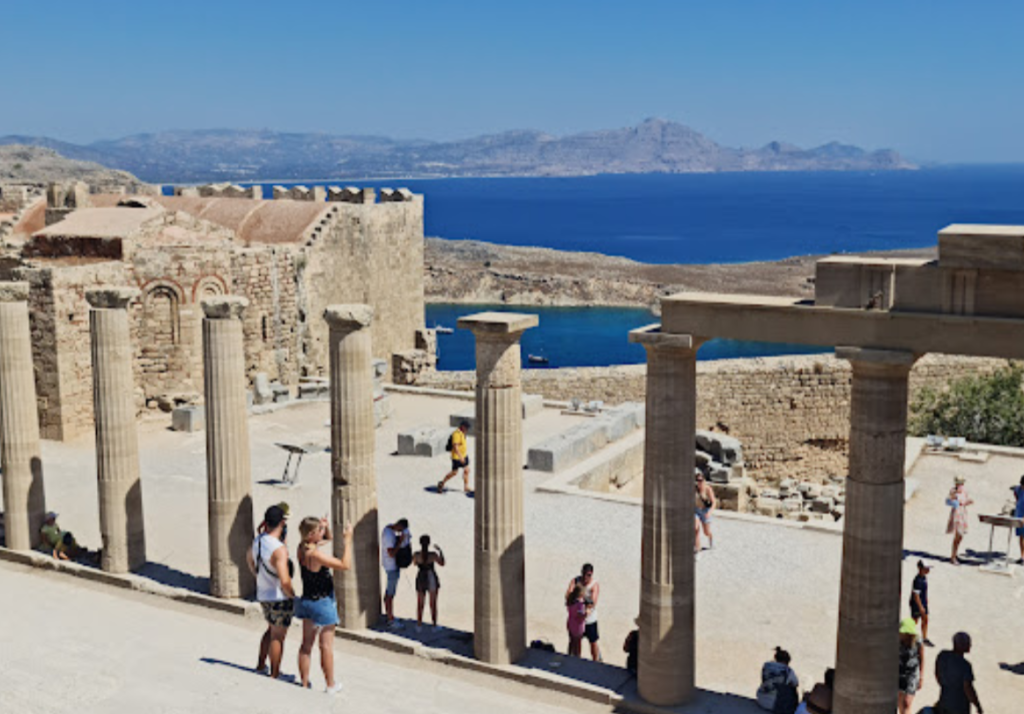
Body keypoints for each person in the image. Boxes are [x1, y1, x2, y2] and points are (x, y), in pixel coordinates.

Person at [295, 516, 352, 693]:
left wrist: (325, 528)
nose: (322, 532)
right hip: (323, 603)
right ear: (311, 534)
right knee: (326, 646)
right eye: (319, 529)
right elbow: (344, 565)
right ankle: (330, 685)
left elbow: (327, 539)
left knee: (306, 645)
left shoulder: (302, 548)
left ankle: (304, 682)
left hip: (307, 601)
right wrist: (348, 541)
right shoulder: (316, 555)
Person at [247, 504, 295, 679]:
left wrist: (258, 576)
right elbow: (285, 580)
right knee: (278, 636)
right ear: (282, 523)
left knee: (270, 630)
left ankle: (261, 665)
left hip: (263, 593)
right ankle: (274, 674)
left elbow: (249, 560)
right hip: (278, 597)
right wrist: (293, 595)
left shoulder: (258, 540)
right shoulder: (279, 549)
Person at [935, 632, 983, 714]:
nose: (970, 645)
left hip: (944, 701)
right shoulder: (965, 665)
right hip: (960, 707)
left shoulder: (943, 656)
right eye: (968, 643)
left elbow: (937, 674)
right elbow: (968, 688)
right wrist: (978, 705)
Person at [564, 563, 602, 661]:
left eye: (588, 575)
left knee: (593, 641)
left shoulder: (594, 584)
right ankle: (575, 660)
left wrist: (581, 602)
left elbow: (593, 602)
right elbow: (568, 594)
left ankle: (595, 661)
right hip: (577, 619)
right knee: (575, 642)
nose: (585, 577)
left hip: (589, 619)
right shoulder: (575, 580)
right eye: (584, 574)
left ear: (591, 574)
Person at [381, 518, 411, 629]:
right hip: (391, 567)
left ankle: (389, 614)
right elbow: (391, 553)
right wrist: (400, 542)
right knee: (390, 594)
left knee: (389, 592)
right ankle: (391, 620)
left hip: (390, 565)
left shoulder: (389, 529)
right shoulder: (389, 536)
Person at [413, 534, 445, 630]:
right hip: (431, 576)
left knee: (420, 603)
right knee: (433, 603)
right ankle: (434, 625)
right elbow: (442, 563)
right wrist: (440, 551)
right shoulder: (433, 555)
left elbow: (414, 563)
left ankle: (419, 624)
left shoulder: (416, 555)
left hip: (421, 577)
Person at [756, 646, 799, 714]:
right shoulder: (788, 671)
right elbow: (795, 683)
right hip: (774, 705)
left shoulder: (766, 666)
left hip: (761, 699)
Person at [898, 617, 925, 714]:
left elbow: (922, 659)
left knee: (907, 702)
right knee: (900, 702)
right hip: (898, 673)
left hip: (912, 674)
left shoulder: (918, 642)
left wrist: (921, 677)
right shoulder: (896, 641)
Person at [946, 476, 973, 565]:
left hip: (962, 513)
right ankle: (953, 556)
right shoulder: (953, 491)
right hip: (957, 513)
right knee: (958, 534)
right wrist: (954, 496)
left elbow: (965, 500)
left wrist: (967, 502)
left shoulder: (964, 491)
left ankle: (954, 554)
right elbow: (949, 501)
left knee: (960, 536)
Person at [438, 421, 471, 493]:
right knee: (454, 472)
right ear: (462, 426)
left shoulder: (462, 433)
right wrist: (460, 457)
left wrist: (463, 456)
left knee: (467, 470)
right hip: (457, 457)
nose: (467, 429)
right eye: (466, 428)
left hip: (464, 455)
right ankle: (442, 483)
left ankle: (466, 487)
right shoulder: (456, 434)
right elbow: (455, 447)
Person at [910, 559, 933, 646]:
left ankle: (924, 638)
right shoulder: (917, 580)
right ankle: (910, 637)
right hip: (917, 604)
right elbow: (916, 595)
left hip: (923, 603)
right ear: (920, 568)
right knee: (914, 621)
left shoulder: (923, 578)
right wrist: (920, 607)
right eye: (926, 568)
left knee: (925, 619)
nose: (928, 570)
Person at [695, 469, 716, 551]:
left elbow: (714, 502)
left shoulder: (708, 489)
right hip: (696, 510)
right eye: (697, 480)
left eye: (700, 480)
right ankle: (697, 548)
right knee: (695, 528)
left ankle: (711, 538)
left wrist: (710, 512)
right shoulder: (694, 489)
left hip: (705, 511)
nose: (699, 482)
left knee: (706, 532)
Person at [565, 583, 587, 657]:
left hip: (571, 623)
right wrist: (586, 614)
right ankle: (577, 657)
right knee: (578, 644)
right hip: (578, 626)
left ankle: (569, 655)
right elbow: (580, 616)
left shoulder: (571, 601)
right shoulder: (580, 604)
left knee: (571, 642)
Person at [1012, 475, 1024, 563]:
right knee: (1021, 537)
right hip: (1019, 515)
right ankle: (1022, 556)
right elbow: (1015, 491)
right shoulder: (1019, 489)